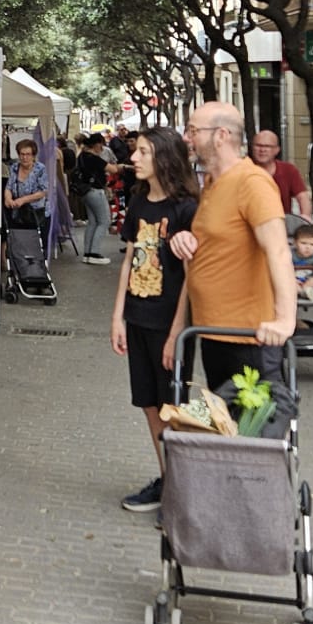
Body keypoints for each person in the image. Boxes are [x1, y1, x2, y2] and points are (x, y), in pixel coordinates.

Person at [167, 102, 298, 417]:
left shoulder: (251, 182)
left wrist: (285, 318)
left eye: (194, 131)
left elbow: (278, 250)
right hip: (212, 333)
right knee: (226, 432)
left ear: (221, 135)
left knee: (252, 435)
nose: (187, 138)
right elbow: (216, 244)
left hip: (248, 338)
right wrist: (186, 240)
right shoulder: (212, 183)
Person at [111, 126, 198, 513]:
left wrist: (177, 332)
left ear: (163, 156)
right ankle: (168, 482)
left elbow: (192, 277)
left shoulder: (186, 208)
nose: (134, 158)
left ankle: (183, 494)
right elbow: (129, 260)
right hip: (138, 316)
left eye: (143, 151)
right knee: (149, 404)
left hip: (170, 324)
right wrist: (117, 317)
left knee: (173, 408)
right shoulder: (139, 201)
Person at [249, 130, 312, 220]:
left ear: (277, 150)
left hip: (282, 225)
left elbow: (303, 197)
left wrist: (305, 219)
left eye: (267, 146)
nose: (262, 150)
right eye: (258, 145)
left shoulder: (289, 170)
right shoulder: (243, 170)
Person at [73, 134, 116, 264]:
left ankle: (87, 253)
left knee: (92, 222)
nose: (102, 148)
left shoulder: (82, 156)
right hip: (95, 191)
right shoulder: (94, 158)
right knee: (104, 221)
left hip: (85, 192)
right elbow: (113, 169)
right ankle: (94, 253)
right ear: (97, 144)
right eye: (101, 145)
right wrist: (123, 167)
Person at [3, 138, 51, 233]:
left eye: (28, 154)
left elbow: (43, 191)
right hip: (18, 213)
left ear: (33, 156)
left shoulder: (40, 169)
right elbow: (9, 187)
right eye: (22, 154)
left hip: (37, 214)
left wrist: (23, 200)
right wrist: (8, 199)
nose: (24, 157)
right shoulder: (14, 167)